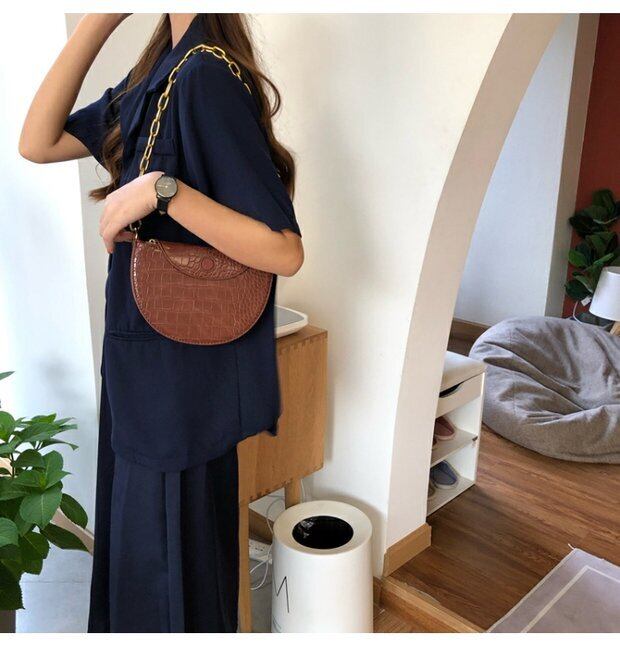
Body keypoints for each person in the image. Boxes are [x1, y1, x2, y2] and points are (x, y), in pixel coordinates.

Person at [19, 12, 303, 633]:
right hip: (142, 366)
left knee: (167, 579)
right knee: (142, 567)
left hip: (178, 390)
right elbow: (37, 142)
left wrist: (162, 191)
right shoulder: (156, 76)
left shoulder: (205, 76)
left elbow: (283, 250)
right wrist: (100, 18)